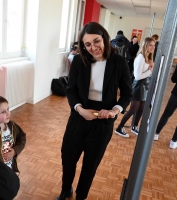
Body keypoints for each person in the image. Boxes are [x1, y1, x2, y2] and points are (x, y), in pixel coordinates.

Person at [56, 22, 132, 200]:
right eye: (87, 44)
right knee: (68, 158)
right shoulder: (78, 61)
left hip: (103, 122)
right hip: (79, 117)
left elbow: (128, 93)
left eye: (96, 41)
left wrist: (114, 110)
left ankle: (81, 197)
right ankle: (66, 189)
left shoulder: (119, 62)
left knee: (90, 166)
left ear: (104, 38)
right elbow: (71, 90)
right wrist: (80, 110)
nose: (93, 47)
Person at [115, 37, 155, 137]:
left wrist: (151, 68)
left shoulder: (148, 57)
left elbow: (148, 73)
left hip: (145, 86)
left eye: (154, 45)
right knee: (133, 109)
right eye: (150, 45)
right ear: (145, 45)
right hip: (138, 86)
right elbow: (137, 76)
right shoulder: (140, 57)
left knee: (141, 108)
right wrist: (150, 70)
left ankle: (135, 126)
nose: (152, 47)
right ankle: (119, 127)